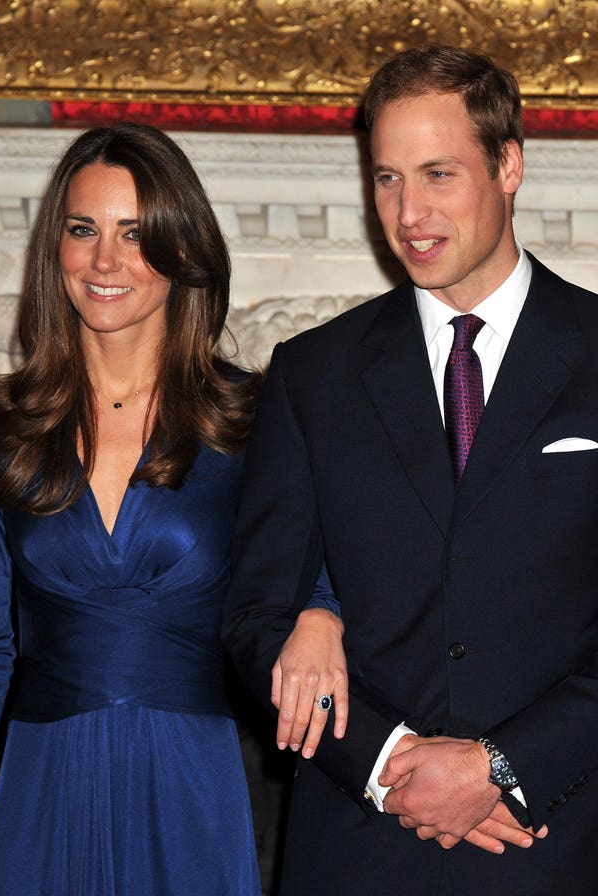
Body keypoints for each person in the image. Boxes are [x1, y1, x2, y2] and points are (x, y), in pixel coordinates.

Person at [222, 44, 598, 895]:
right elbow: (254, 617)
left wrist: (499, 766)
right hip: (359, 850)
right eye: (386, 178)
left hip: (559, 844)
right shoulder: (312, 374)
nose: (408, 212)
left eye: (437, 173)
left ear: (509, 166)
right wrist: (390, 765)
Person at [0, 122, 269, 895]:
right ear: (53, 248)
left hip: (194, 789)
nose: (105, 260)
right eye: (83, 229)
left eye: (135, 234)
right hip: (36, 785)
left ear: (182, 249)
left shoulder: (255, 424)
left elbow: (308, 595)